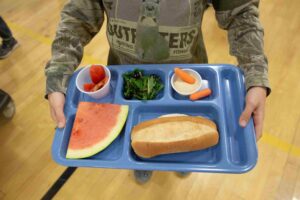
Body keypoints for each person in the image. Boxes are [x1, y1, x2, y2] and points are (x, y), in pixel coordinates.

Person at [45, 0, 271, 184]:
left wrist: (256, 75)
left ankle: (182, 157)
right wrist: (58, 73)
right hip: (124, 81)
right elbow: (77, 17)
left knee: (184, 142)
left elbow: (241, 14)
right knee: (140, 146)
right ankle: (143, 161)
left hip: (188, 76)